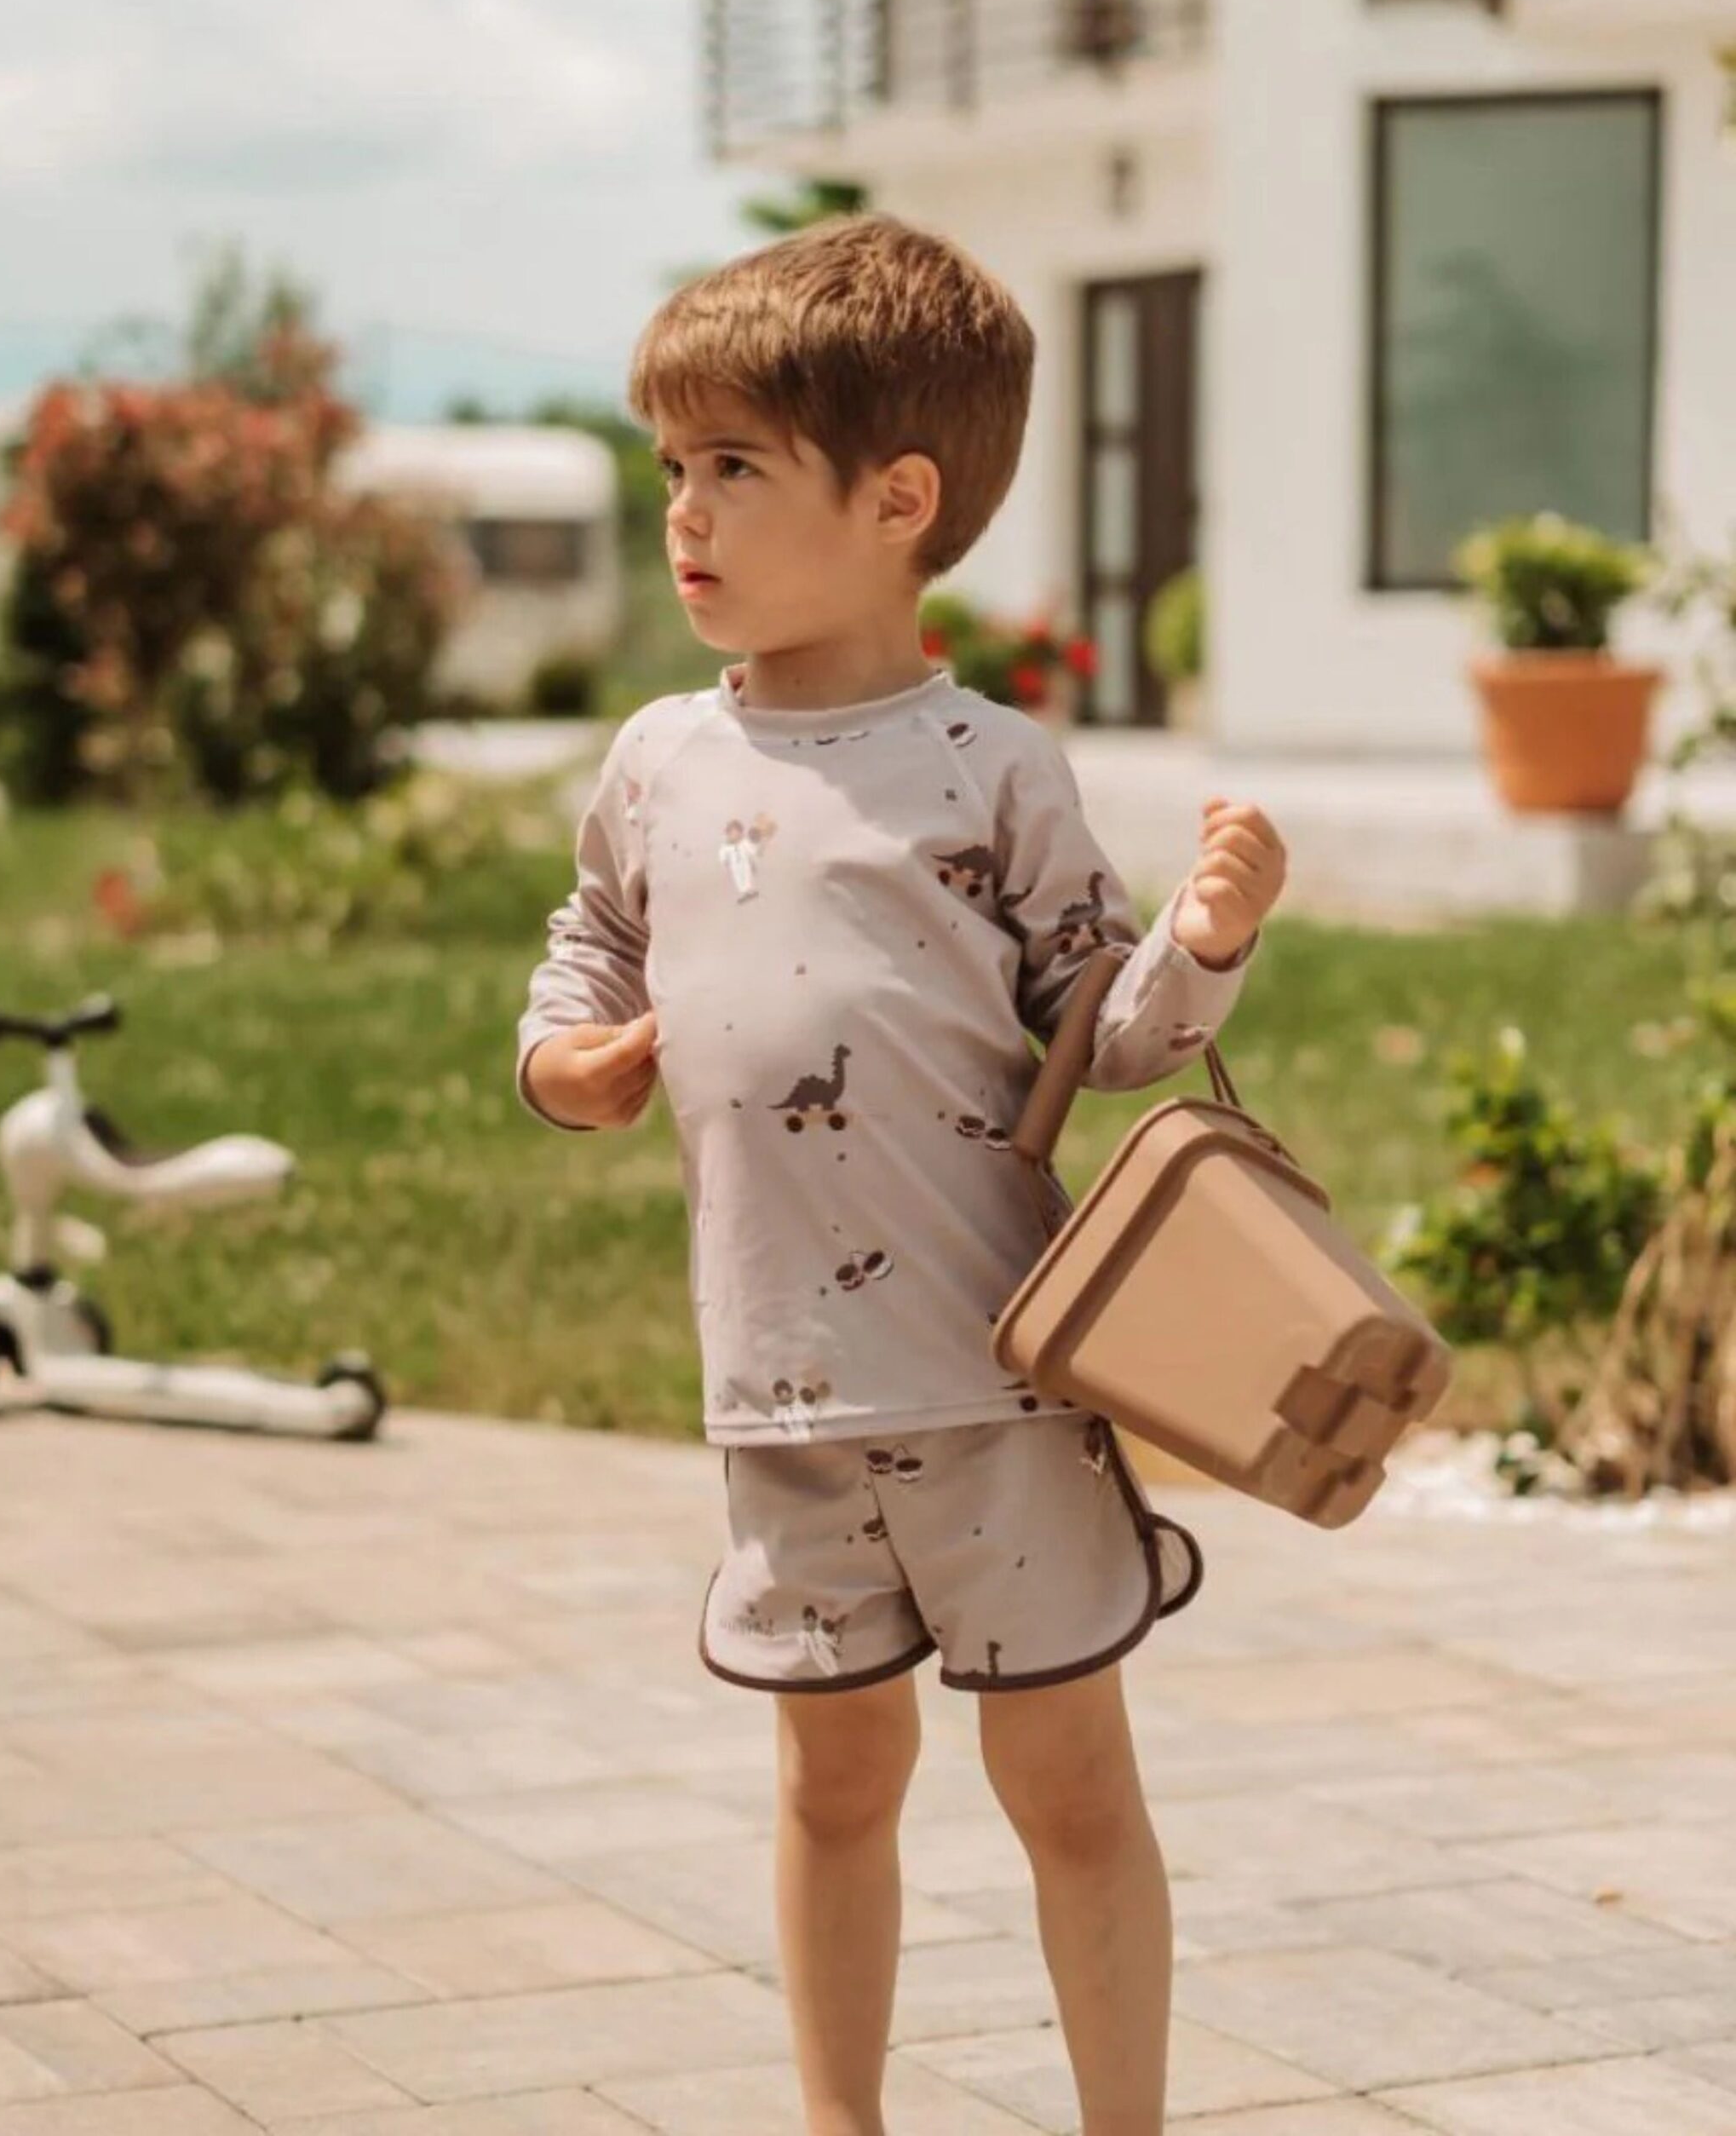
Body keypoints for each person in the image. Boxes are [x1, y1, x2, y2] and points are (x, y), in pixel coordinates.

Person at [514, 213, 1288, 2136]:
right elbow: (589, 942)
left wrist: (1199, 942)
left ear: (898, 500)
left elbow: (1100, 1029)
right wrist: (560, 1057)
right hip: (778, 1388)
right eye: (670, 467)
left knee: (1069, 1784)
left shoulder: (988, 764)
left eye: (732, 466)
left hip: (996, 1377)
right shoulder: (656, 762)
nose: (683, 513)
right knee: (832, 1780)